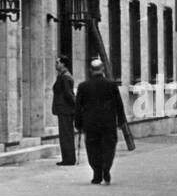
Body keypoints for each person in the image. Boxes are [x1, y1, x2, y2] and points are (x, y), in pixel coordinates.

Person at [74, 56, 126, 184]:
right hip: (108, 123)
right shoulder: (111, 85)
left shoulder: (83, 86)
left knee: (93, 148)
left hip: (90, 123)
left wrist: (78, 123)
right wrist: (121, 120)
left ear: (90, 70)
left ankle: (97, 173)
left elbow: (78, 107)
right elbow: (119, 104)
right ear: (102, 69)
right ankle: (106, 168)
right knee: (109, 147)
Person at [52, 55, 77, 166]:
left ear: (63, 64)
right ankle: (68, 158)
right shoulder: (62, 76)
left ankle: (69, 159)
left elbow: (68, 94)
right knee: (66, 134)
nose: (56, 64)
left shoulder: (65, 77)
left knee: (66, 135)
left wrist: (76, 107)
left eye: (58, 62)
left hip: (65, 109)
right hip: (65, 109)